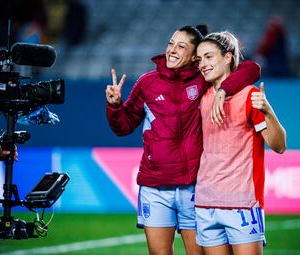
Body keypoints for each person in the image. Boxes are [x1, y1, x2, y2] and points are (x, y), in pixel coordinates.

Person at [106, 25, 261, 255]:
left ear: (194, 55)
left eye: (181, 46)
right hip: (154, 187)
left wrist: (223, 91)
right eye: (171, 43)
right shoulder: (147, 83)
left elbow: (251, 68)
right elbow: (124, 127)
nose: (172, 50)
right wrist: (115, 106)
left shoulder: (203, 78)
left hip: (193, 187)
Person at [195, 31, 287, 255]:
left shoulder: (249, 95)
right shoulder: (202, 95)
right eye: (199, 60)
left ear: (227, 58)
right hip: (205, 202)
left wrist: (268, 111)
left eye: (209, 57)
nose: (203, 64)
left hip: (242, 204)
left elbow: (279, 146)